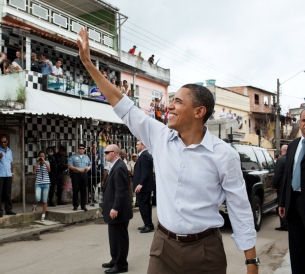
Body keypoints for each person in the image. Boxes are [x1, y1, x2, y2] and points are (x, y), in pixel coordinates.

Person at [77, 27, 258, 273]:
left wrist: (251, 262)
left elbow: (239, 208)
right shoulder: (159, 136)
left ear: (199, 112)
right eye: (171, 100)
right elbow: (123, 104)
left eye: (178, 102)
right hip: (163, 248)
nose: (169, 106)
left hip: (206, 252)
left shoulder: (224, 155)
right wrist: (88, 64)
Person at [279, 109, 305, 273]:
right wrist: (282, 201)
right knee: (296, 249)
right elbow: (287, 175)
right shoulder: (294, 145)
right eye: (304, 120)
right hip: (293, 204)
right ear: (299, 122)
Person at [101, 144, 133, 273]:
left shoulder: (119, 167)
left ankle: (121, 265)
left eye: (107, 152)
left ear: (114, 153)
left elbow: (121, 190)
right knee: (114, 237)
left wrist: (115, 208)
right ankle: (115, 260)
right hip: (113, 209)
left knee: (120, 239)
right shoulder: (114, 166)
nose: (104, 154)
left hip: (118, 211)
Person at [0, 135, 16, 217]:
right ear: (0, 142)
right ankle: (0, 211)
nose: (3, 143)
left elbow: (11, 163)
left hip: (8, 174)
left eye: (4, 142)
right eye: (1, 142)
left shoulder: (9, 151)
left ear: (7, 142)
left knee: (8, 193)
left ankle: (8, 210)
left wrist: (12, 173)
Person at [133, 141, 154, 233]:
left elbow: (145, 172)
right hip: (143, 186)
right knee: (144, 205)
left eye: (138, 144)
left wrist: (141, 184)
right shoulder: (143, 155)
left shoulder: (145, 155)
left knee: (144, 205)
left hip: (144, 187)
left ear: (143, 145)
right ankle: (147, 224)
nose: (136, 146)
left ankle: (148, 225)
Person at [68, 144, 91, 211]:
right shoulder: (73, 157)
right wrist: (77, 169)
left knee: (84, 191)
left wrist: (88, 168)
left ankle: (83, 205)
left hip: (84, 175)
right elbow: (69, 166)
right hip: (76, 175)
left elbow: (90, 165)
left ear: (84, 149)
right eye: (80, 148)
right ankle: (75, 205)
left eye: (83, 148)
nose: (81, 150)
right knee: (75, 190)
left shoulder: (86, 157)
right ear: (78, 149)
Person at [272, 145, 288, 231]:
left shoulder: (280, 160)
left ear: (282, 151)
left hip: (281, 187)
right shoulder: (291, 159)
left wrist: (275, 185)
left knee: (281, 205)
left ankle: (284, 225)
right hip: (290, 187)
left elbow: (277, 174)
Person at [32, 151, 51, 221]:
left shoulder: (47, 162)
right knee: (37, 198)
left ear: (45, 157)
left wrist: (44, 162)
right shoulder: (36, 163)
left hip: (46, 183)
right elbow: (34, 171)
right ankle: (34, 205)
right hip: (38, 183)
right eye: (40, 156)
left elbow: (49, 170)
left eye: (43, 156)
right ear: (38, 157)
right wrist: (38, 163)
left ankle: (43, 215)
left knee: (45, 200)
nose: (41, 158)